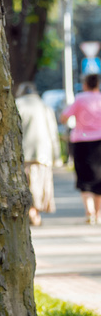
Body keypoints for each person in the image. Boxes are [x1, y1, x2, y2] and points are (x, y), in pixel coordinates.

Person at [15, 82, 61, 226]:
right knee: (39, 184)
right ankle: (34, 213)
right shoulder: (44, 106)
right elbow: (53, 133)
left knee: (26, 184)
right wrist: (57, 156)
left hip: (23, 152)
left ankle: (32, 212)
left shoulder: (17, 104)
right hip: (43, 153)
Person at [61, 73, 101, 223]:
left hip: (81, 141)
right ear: (97, 84)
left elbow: (64, 117)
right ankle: (98, 214)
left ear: (85, 85)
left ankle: (89, 212)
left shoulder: (80, 99)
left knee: (83, 175)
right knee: (99, 176)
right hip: (99, 141)